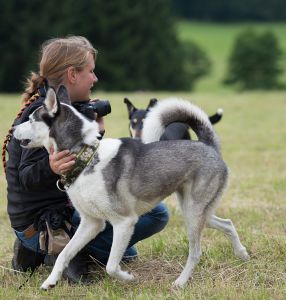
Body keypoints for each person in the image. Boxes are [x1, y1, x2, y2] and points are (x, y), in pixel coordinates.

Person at [5, 36, 169, 283]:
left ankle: (53, 250)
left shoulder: (64, 106)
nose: (95, 78)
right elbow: (24, 178)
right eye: (91, 71)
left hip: (63, 209)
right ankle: (58, 252)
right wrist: (50, 168)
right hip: (43, 223)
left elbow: (87, 167)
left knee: (128, 249)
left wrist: (97, 134)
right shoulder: (41, 114)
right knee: (156, 213)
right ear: (72, 74)